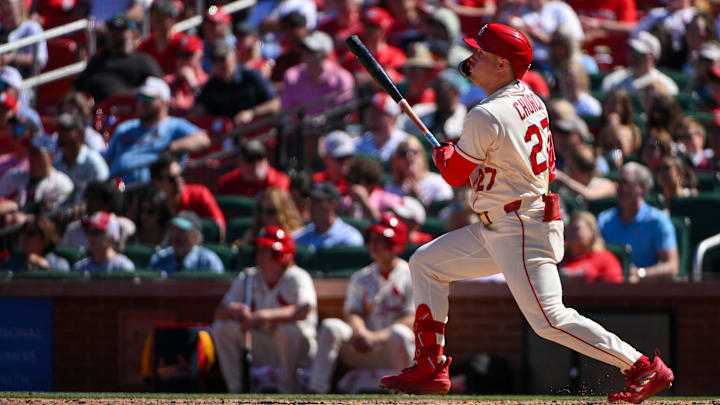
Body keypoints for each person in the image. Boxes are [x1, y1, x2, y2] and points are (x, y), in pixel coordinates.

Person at [380, 24, 674, 404]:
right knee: (426, 263)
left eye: (482, 54)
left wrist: (447, 158)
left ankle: (640, 365)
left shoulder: (487, 114)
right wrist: (454, 157)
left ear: (503, 64)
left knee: (550, 319)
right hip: (505, 220)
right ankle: (430, 366)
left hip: (518, 224)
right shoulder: (528, 97)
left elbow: (454, 175)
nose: (472, 58)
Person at [308, 214, 414, 393]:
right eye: (372, 239)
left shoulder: (411, 275)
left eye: (380, 239)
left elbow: (413, 318)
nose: (373, 244)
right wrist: (361, 332)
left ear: (396, 242)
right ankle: (316, 390)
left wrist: (377, 337)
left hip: (396, 350)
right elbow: (353, 312)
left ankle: (406, 393)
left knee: (399, 333)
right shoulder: (361, 277)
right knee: (330, 326)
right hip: (365, 347)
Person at [213, 225, 317, 393]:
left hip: (298, 350)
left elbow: (303, 310)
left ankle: (289, 391)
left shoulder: (298, 277)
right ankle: (236, 391)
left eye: (265, 251)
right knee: (222, 327)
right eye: (259, 250)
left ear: (280, 254)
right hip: (263, 344)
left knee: (286, 329)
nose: (259, 256)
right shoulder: (248, 276)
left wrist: (262, 316)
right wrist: (234, 310)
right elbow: (218, 312)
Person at [104, 76, 210, 184]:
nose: (143, 103)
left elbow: (203, 140)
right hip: (118, 187)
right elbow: (107, 159)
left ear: (164, 102)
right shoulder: (125, 128)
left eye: (149, 98)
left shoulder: (175, 125)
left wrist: (174, 147)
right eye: (140, 98)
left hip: (154, 190)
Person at [598, 162, 679, 284]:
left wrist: (640, 273)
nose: (620, 188)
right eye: (618, 183)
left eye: (625, 183)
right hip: (607, 289)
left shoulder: (658, 220)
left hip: (646, 293)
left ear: (642, 188)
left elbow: (672, 267)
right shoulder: (604, 219)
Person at [73, 14, 164, 102]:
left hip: (129, 112)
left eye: (121, 30)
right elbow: (77, 88)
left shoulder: (143, 62)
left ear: (133, 33)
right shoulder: (97, 60)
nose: (115, 34)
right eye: (112, 29)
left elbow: (159, 90)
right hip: (99, 111)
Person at [194, 40, 280, 127]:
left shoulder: (252, 76)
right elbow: (199, 110)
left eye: (222, 59)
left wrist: (252, 112)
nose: (219, 64)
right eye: (215, 61)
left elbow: (275, 103)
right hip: (229, 135)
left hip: (257, 131)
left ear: (234, 58)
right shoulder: (211, 86)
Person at [150, 154, 226, 242]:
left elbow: (219, 227)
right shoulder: (154, 205)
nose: (179, 180)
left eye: (181, 174)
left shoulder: (200, 194)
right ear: (158, 183)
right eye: (172, 178)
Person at [280, 30, 355, 117]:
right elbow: (286, 111)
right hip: (299, 129)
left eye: (311, 50)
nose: (306, 54)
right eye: (304, 49)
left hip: (332, 128)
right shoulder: (291, 75)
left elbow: (345, 113)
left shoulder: (342, 77)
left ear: (325, 54)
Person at [0, 141, 73, 212]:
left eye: (38, 153)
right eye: (31, 152)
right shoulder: (12, 176)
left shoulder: (62, 183)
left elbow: (51, 214)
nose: (33, 157)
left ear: (51, 156)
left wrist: (17, 208)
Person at [396, 68, 468, 141]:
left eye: (443, 89)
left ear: (456, 92)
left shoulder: (466, 117)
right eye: (437, 87)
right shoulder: (420, 110)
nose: (438, 93)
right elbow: (397, 125)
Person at [61, 180, 135, 249]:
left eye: (94, 200)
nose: (89, 204)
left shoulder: (124, 226)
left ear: (107, 204)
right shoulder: (74, 229)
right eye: (88, 199)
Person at [53, 113, 110, 203]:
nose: (60, 134)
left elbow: (103, 194)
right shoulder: (57, 162)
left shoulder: (93, 162)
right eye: (59, 129)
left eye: (66, 129)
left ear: (80, 132)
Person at [600, 32, 678, 96]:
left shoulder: (667, 86)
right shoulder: (613, 81)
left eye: (638, 52)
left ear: (652, 57)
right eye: (630, 49)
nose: (632, 55)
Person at [148, 210, 224, 274]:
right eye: (175, 230)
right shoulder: (159, 259)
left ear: (196, 237)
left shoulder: (208, 262)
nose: (177, 236)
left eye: (183, 231)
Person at [293, 182, 364, 249]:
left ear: (333, 205)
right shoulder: (300, 235)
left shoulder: (349, 237)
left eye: (317, 201)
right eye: (311, 201)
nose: (312, 206)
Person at [558, 211, 624, 283]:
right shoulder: (558, 256)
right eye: (568, 228)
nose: (570, 232)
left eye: (576, 229)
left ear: (592, 231)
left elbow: (615, 287)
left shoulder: (605, 258)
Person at [385, 137, 453, 206]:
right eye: (403, 153)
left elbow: (446, 211)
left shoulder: (437, 183)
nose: (409, 156)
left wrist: (419, 197)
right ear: (397, 160)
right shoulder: (390, 188)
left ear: (422, 156)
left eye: (414, 152)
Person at [216, 139, 290, 196]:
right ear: (240, 163)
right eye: (250, 160)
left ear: (266, 161)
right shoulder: (228, 183)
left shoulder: (279, 181)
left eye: (259, 159)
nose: (256, 165)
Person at [234, 187, 303, 247]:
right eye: (261, 210)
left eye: (270, 211)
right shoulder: (253, 234)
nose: (264, 216)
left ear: (283, 212)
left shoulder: (297, 237)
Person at [137, 0, 189, 75]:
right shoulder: (145, 46)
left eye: (161, 14)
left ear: (173, 18)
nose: (156, 18)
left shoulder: (182, 43)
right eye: (154, 14)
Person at [355, 93, 410, 163]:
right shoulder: (359, 144)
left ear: (393, 117)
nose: (372, 115)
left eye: (378, 112)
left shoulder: (405, 143)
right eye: (370, 111)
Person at [343, 157, 402, 221]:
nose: (351, 185)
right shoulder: (345, 202)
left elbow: (386, 224)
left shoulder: (386, 200)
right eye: (349, 179)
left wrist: (365, 203)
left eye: (356, 181)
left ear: (371, 184)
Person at [2, 217, 69, 272]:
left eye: (30, 233)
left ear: (45, 240)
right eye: (22, 231)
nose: (23, 237)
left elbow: (62, 285)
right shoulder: (11, 262)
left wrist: (45, 267)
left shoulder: (59, 263)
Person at [0, 0, 48, 76]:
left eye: (9, 4)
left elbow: (41, 59)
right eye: (3, 4)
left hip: (22, 81)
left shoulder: (31, 27)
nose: (6, 8)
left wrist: (12, 59)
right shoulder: (1, 28)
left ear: (19, 5)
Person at [163, 35, 208, 115]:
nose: (181, 60)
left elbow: (206, 109)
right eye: (179, 55)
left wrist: (193, 85)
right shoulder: (167, 81)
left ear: (200, 57)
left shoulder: (207, 82)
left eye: (186, 55)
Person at [313, 130, 355, 195]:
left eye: (349, 157)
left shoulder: (358, 183)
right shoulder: (315, 181)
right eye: (340, 158)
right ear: (326, 159)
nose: (346, 162)